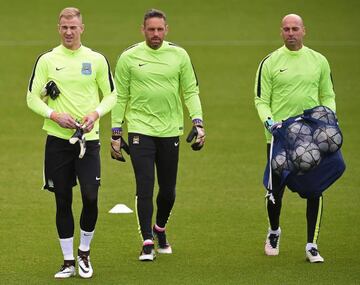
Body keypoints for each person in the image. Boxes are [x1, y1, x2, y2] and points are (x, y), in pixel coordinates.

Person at [27, 7, 116, 278]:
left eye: (73, 27)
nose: (68, 32)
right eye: (64, 27)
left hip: (88, 141)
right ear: (58, 28)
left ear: (82, 28)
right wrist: (54, 114)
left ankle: (84, 254)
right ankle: (67, 261)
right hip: (57, 142)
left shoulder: (97, 59)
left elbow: (112, 95)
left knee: (90, 196)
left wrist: (95, 114)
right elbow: (31, 98)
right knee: (63, 200)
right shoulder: (46, 60)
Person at [111, 8, 205, 261]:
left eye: (159, 29)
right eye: (150, 29)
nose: (155, 34)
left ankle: (159, 228)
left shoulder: (179, 55)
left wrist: (198, 122)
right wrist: (116, 132)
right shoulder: (129, 57)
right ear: (142, 30)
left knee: (168, 191)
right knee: (144, 186)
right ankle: (147, 241)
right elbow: (120, 97)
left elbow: (190, 91)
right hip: (140, 130)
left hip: (170, 131)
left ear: (166, 29)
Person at [254, 14, 336, 263]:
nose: (291, 33)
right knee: (275, 191)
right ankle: (274, 231)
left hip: (311, 137)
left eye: (295, 29)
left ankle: (312, 244)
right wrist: (270, 123)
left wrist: (328, 120)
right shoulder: (269, 62)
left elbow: (328, 95)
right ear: (281, 32)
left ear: (304, 31)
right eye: (287, 29)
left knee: (315, 190)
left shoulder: (319, 61)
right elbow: (261, 100)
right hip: (280, 138)